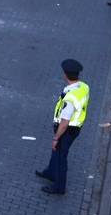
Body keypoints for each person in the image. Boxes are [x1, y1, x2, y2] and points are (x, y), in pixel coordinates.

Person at [36, 59, 90, 196]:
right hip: (75, 128)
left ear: (65, 75)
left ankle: (59, 187)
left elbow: (64, 122)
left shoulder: (70, 99)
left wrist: (56, 138)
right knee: (57, 152)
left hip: (67, 131)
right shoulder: (83, 87)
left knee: (61, 157)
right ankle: (50, 172)